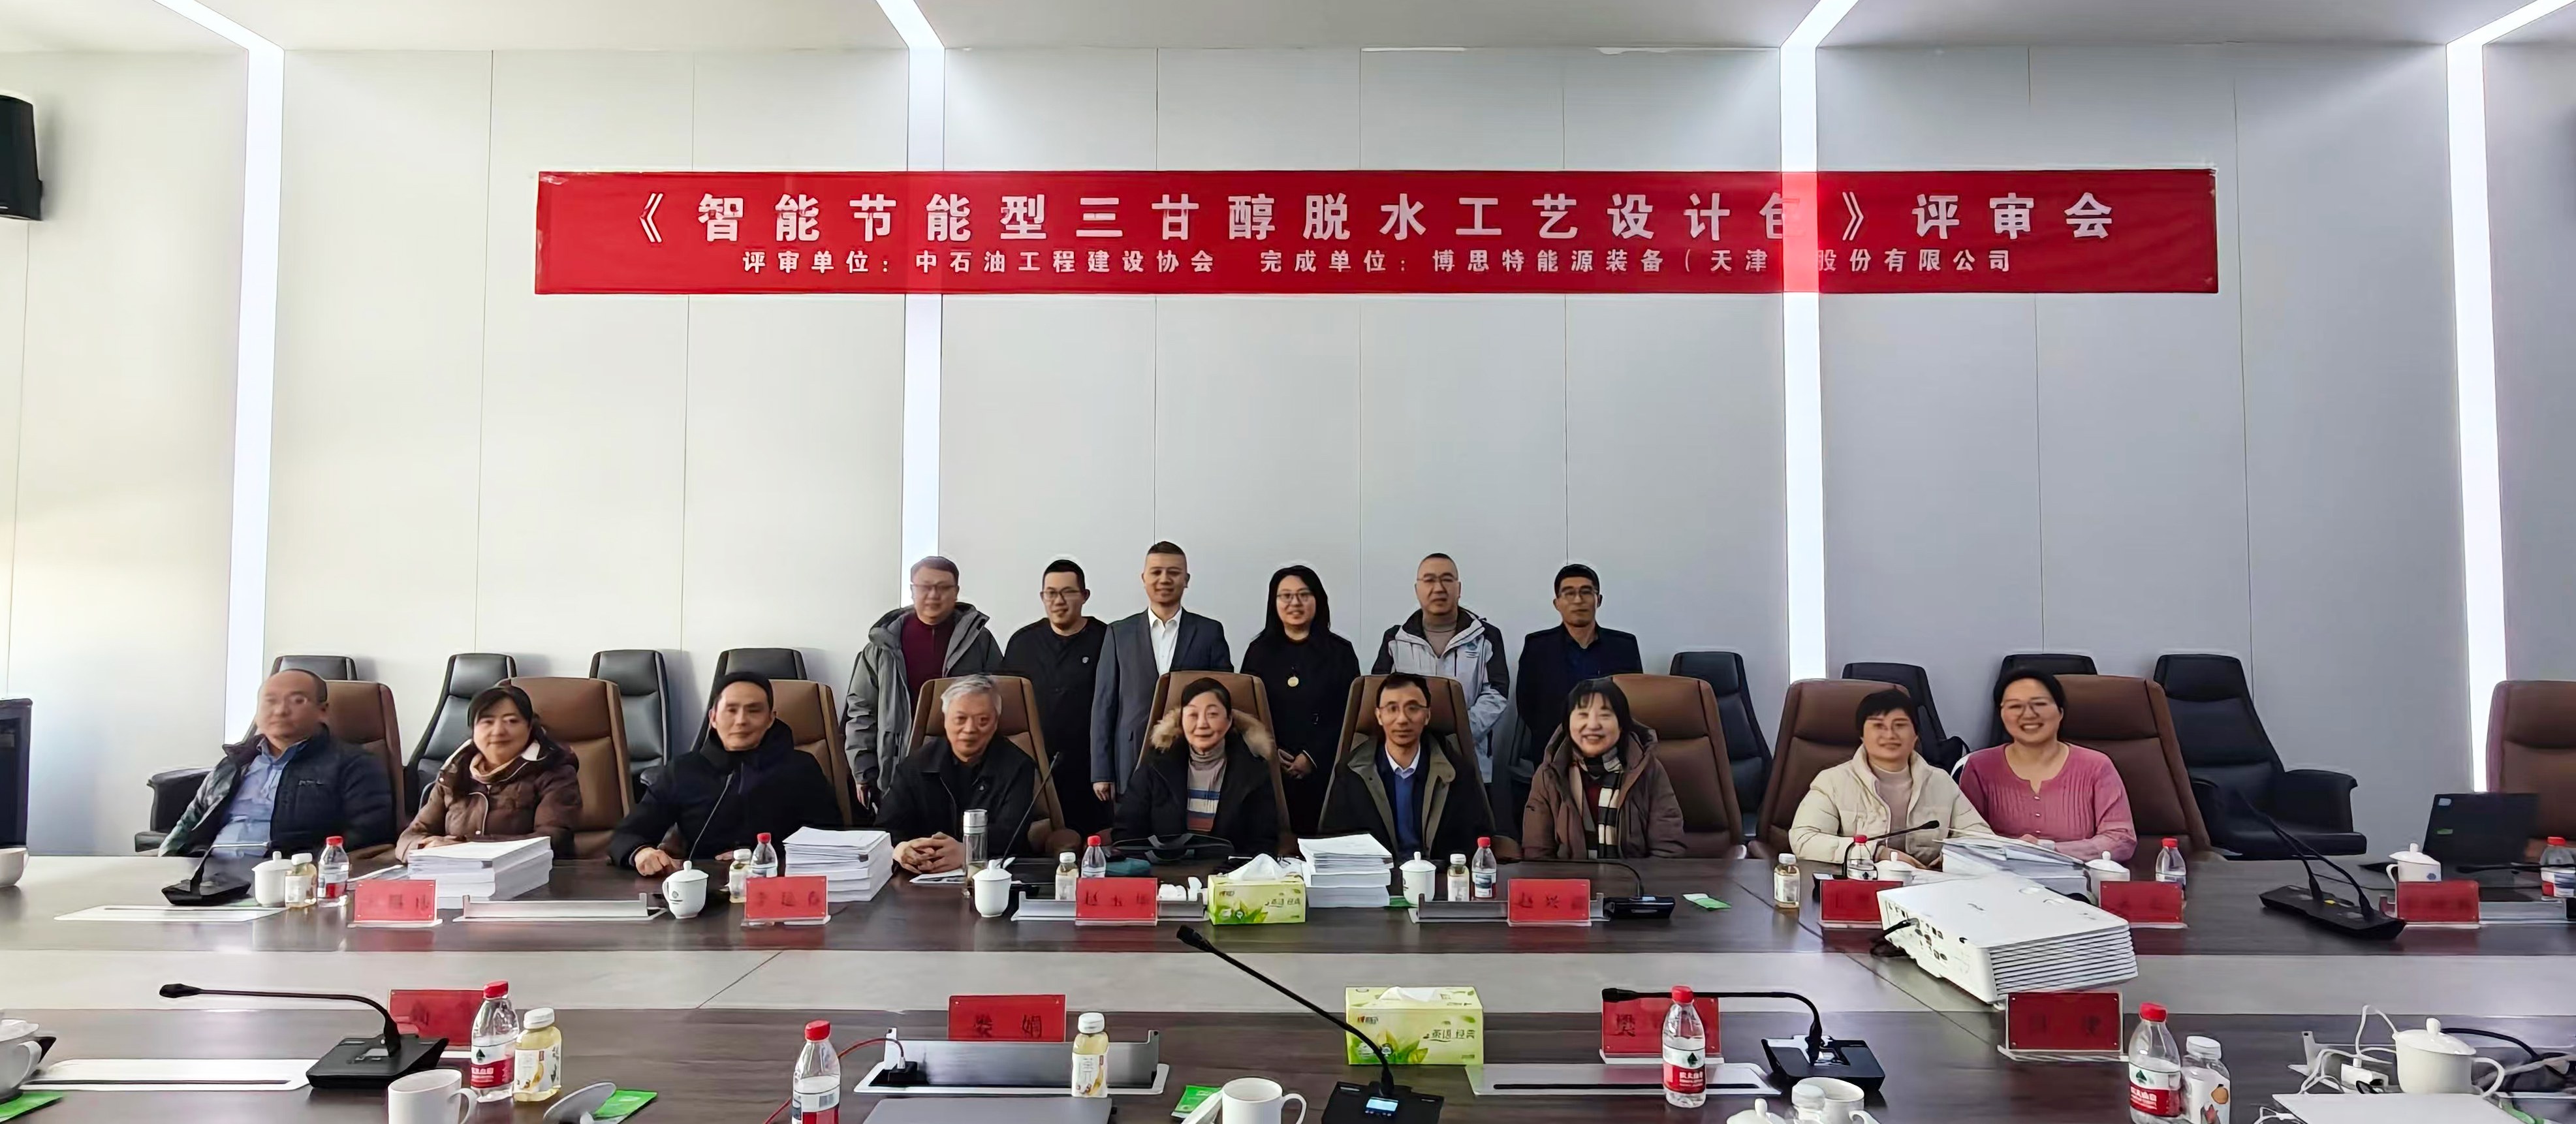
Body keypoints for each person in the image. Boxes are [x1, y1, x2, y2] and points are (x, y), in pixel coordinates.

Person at [612, 672, 845, 876]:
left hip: (779, 886)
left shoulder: (800, 768)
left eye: (754, 710)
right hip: (705, 892)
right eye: (731, 710)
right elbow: (626, 835)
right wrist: (641, 852)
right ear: (713, 718)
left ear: (770, 719)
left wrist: (762, 855)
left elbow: (830, 839)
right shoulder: (683, 771)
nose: (741, 721)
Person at [159, 670, 396, 857]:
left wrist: (307, 869)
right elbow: (190, 820)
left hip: (289, 878)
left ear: (322, 711)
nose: (281, 711)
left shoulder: (355, 765)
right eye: (270, 701)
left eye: (297, 701)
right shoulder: (235, 763)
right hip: (209, 875)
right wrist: (166, 862)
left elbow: (367, 835)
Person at [843, 555, 1003, 808]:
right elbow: (862, 710)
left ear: (956, 592)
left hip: (965, 766)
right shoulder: (882, 646)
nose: (933, 595)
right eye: (925, 587)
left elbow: (998, 706)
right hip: (899, 765)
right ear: (912, 590)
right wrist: (863, 771)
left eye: (943, 587)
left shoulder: (980, 642)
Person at [1788, 688, 1993, 868]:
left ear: (1916, 735)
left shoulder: (1941, 782)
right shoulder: (1833, 782)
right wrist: (1875, 853)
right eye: (1878, 726)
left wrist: (1952, 859)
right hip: (1859, 886)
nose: (1890, 734)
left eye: (1900, 725)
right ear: (1862, 736)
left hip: (1928, 887)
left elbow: (1983, 840)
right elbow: (1805, 840)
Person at [1091, 541, 1231, 802]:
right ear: (1144, 579)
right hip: (1131, 758)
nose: (1164, 579)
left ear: (1186, 580)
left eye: (1174, 573)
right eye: (1156, 572)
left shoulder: (1209, 632)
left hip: (1193, 756)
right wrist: (1101, 771)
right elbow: (1104, 705)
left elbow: (1224, 699)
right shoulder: (1119, 633)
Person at [1955, 670, 2138, 862]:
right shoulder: (1979, 766)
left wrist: (2048, 850)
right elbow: (1965, 837)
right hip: (1999, 876)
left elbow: (2120, 839)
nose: (2028, 714)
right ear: (2002, 715)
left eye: (2040, 704)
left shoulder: (2097, 766)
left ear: (2060, 712)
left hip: (2079, 878)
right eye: (2015, 706)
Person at [1509, 564, 1642, 826]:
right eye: (1569, 593)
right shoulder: (1537, 647)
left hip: (1614, 754)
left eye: (1586, 592)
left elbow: (1632, 701)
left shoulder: (1624, 646)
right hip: (1554, 750)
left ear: (1598, 600)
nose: (1578, 600)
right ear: (1557, 603)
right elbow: (1527, 704)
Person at [1317, 672, 1494, 862]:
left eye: (1413, 708)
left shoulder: (1456, 773)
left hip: (1438, 874)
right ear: (1379, 716)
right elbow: (1334, 843)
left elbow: (1475, 840)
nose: (1402, 719)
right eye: (1392, 709)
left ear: (1427, 715)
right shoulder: (1351, 773)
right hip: (1377, 876)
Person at [396, 684, 584, 860]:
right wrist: (425, 847)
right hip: (454, 876)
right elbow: (409, 837)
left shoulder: (553, 771)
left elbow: (553, 839)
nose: (498, 731)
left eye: (511, 721)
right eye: (487, 721)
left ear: (529, 727)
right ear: (473, 730)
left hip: (530, 878)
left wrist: (466, 847)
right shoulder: (454, 772)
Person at [1239, 565, 1361, 835]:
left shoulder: (1340, 652)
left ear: (1318, 600)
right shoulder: (1258, 652)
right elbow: (1247, 711)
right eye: (1286, 596)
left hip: (1326, 768)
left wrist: (1312, 756)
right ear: (1274, 603)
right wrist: (1271, 750)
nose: (1295, 603)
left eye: (1304, 595)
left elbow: (1349, 713)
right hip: (1269, 768)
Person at [877, 675, 1040, 875]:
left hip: (995, 876)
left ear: (996, 723)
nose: (970, 729)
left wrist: (969, 851)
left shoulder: (1018, 766)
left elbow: (1013, 834)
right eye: (960, 719)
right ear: (945, 720)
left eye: (983, 720)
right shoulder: (915, 766)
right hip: (922, 878)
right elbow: (885, 830)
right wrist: (901, 849)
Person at [1372, 553, 1509, 780]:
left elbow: (1496, 693)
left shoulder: (1486, 636)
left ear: (1459, 588)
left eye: (1447, 579)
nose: (1438, 588)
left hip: (1470, 759)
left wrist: (1461, 732)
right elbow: (1380, 695)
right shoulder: (1395, 639)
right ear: (1417, 589)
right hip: (1408, 762)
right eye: (1429, 580)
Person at [1518, 678, 1685, 860]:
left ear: (1621, 725)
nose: (1593, 725)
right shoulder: (1550, 774)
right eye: (1583, 715)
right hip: (1569, 878)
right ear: (1567, 724)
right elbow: (1538, 855)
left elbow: (1667, 852)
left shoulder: (1648, 771)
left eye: (1605, 715)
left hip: (1636, 878)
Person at [1114, 677, 1283, 856]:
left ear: (1229, 721)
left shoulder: (1253, 773)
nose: (1202, 724)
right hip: (1164, 870)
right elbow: (1127, 838)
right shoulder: (1154, 768)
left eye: (1212, 714)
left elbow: (1263, 843)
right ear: (1181, 721)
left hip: (1230, 871)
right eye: (1193, 715)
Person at [1000, 559, 1109, 834]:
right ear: (1042, 597)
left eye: (1068, 592)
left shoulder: (1107, 639)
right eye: (1051, 593)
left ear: (1085, 596)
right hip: (1035, 769)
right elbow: (1007, 712)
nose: (1059, 601)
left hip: (1091, 770)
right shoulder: (1022, 643)